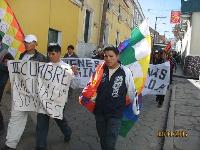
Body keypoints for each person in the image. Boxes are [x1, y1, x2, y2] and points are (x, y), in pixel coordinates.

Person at [2, 34, 46, 150]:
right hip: (20, 94)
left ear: (35, 44)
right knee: (15, 118)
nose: (26, 44)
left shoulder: (41, 58)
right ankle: (10, 144)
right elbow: (18, 71)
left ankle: (41, 138)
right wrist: (9, 65)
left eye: (28, 42)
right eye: (25, 42)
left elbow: (46, 75)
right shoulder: (22, 55)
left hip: (34, 96)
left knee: (39, 119)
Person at [36, 43, 79, 150]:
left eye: (52, 53)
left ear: (59, 53)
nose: (50, 56)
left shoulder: (67, 68)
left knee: (59, 119)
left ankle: (67, 131)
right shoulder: (44, 67)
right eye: (48, 53)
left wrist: (75, 74)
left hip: (58, 101)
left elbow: (75, 85)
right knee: (41, 122)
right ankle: (40, 146)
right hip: (44, 100)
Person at [93, 46, 137, 150]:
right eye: (105, 56)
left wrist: (134, 109)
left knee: (110, 141)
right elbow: (91, 85)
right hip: (99, 112)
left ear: (117, 56)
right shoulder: (100, 69)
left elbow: (131, 91)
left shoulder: (125, 71)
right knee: (103, 138)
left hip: (115, 113)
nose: (108, 59)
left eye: (111, 56)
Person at [0, 35, 14, 134]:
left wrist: (2, 66)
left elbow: (11, 67)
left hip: (1, 83)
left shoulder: (6, 53)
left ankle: (1, 126)